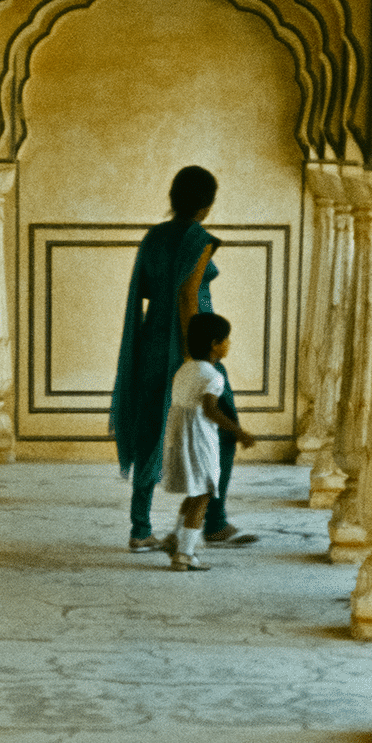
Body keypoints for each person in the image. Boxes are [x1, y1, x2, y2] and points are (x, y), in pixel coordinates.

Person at [109, 164, 258, 551]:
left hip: (151, 344)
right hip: (191, 343)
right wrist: (197, 356)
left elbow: (145, 289)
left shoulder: (154, 237)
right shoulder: (199, 238)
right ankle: (214, 520)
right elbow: (188, 295)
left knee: (149, 430)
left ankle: (140, 529)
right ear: (206, 205)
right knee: (224, 427)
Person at [162, 312, 255, 569]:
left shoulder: (184, 369)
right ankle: (185, 553)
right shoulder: (213, 376)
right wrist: (239, 431)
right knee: (203, 495)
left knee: (194, 492)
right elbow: (210, 410)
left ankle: (175, 538)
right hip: (199, 440)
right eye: (226, 340)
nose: (229, 344)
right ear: (215, 344)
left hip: (179, 438)